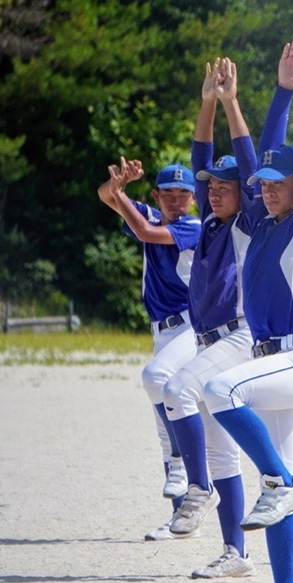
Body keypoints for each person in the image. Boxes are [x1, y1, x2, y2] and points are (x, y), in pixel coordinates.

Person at [203, 33, 293, 583]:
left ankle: (282, 482)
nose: (266, 189)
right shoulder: (259, 222)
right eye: (262, 185)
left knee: (219, 389)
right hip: (273, 362)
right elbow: (264, 150)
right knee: (277, 494)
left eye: (278, 184)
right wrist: (278, 92)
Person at [160, 53, 292, 579]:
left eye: (223, 186)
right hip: (207, 340)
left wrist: (233, 102)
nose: (212, 191)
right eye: (209, 186)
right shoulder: (211, 221)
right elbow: (202, 153)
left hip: (238, 337)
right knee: (221, 457)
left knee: (175, 389)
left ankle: (195, 489)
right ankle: (236, 554)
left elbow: (242, 151)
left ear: (248, 193)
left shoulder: (247, 223)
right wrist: (206, 104)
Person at [97, 158, 201, 541]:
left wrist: (122, 194)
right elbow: (104, 196)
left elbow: (142, 231)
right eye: (168, 194)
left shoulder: (193, 226)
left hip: (192, 325)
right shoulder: (153, 215)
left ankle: (180, 463)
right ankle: (179, 520)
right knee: (164, 425)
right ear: (156, 195)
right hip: (162, 332)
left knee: (156, 378)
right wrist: (118, 185)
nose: (176, 201)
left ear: (194, 199)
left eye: (184, 195)